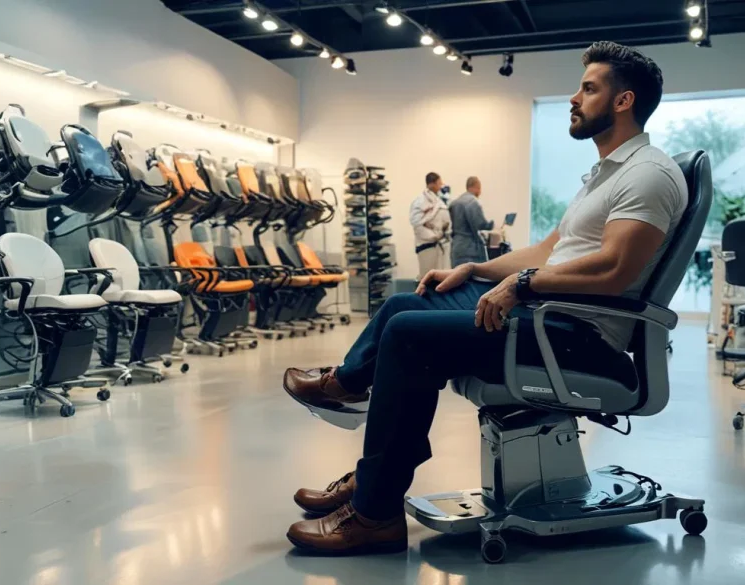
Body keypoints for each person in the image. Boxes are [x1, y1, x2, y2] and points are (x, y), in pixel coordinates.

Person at [281, 41, 688, 556]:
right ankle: (348, 392)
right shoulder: (604, 176)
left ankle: (375, 512)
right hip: (547, 318)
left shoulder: (647, 173)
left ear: (624, 100)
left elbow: (613, 269)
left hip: (577, 335)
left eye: (588, 88)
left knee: (409, 338)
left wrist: (522, 285)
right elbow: (547, 250)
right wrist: (475, 269)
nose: (573, 97)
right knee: (405, 305)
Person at [409, 172, 451, 280]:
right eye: (439, 183)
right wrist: (433, 236)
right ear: (432, 184)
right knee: (427, 278)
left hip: (439, 246)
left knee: (439, 278)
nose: (441, 185)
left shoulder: (439, 201)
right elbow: (416, 224)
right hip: (426, 246)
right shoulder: (419, 202)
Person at [448, 176, 495, 267]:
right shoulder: (472, 202)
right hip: (469, 249)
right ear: (476, 187)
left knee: (457, 278)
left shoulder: (454, 203)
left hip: (456, 247)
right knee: (472, 278)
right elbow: (480, 224)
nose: (480, 192)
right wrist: (492, 224)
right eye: (479, 188)